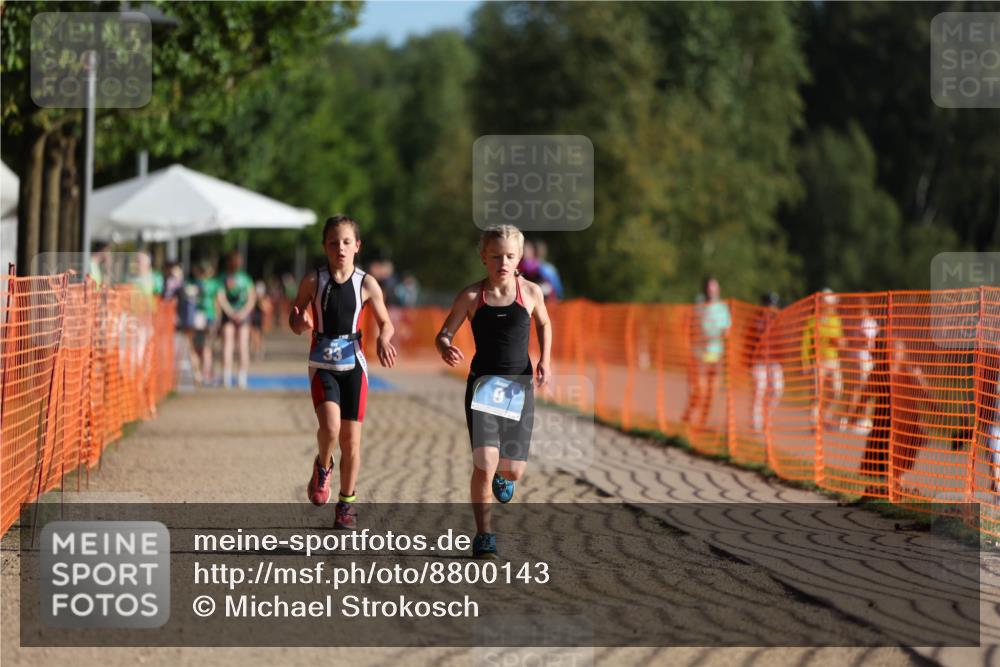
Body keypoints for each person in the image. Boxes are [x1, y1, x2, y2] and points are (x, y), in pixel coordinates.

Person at [435, 224, 552, 559]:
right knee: (484, 462)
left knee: (511, 470)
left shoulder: (530, 293)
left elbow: (544, 323)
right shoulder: (471, 297)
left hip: (519, 387)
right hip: (484, 386)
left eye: (510, 256)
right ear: (484, 257)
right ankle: (484, 534)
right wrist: (444, 345)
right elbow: (445, 332)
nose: (503, 262)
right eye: (496, 255)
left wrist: (546, 358)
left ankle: (505, 476)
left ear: (520, 259)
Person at [289, 215, 396, 529]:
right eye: (334, 242)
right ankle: (323, 466)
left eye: (347, 242)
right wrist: (301, 321)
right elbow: (294, 318)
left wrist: (383, 337)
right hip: (322, 364)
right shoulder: (313, 280)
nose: (340, 248)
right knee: (331, 429)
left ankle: (346, 504)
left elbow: (386, 321)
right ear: (324, 246)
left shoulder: (366, 283)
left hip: (354, 366)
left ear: (357, 246)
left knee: (351, 442)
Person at [682, 277, 731, 427]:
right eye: (709, 288)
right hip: (699, 354)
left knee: (712, 392)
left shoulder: (722, 308)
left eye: (714, 288)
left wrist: (720, 334)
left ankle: (702, 421)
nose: (711, 291)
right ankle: (689, 413)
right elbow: (689, 324)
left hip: (715, 355)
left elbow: (727, 330)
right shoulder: (699, 305)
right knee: (700, 390)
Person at [801, 288, 844, 429]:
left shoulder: (835, 319)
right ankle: (813, 422)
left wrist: (840, 342)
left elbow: (840, 339)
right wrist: (805, 362)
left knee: (837, 391)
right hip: (817, 361)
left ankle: (824, 417)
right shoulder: (812, 320)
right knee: (816, 393)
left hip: (833, 360)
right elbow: (806, 342)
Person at [217, 251, 256, 389]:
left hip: (231, 315)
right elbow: (251, 298)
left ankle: (227, 377)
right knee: (242, 346)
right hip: (241, 315)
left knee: (229, 345)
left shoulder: (223, 277)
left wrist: (231, 312)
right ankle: (241, 378)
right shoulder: (245, 279)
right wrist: (242, 312)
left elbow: (221, 297)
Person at [750, 292, 784, 432]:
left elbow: (781, 343)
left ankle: (766, 416)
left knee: (777, 389)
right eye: (768, 304)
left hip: (774, 361)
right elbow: (749, 342)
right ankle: (755, 420)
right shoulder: (755, 321)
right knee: (760, 389)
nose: (771, 308)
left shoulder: (779, 322)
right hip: (758, 361)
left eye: (773, 305)